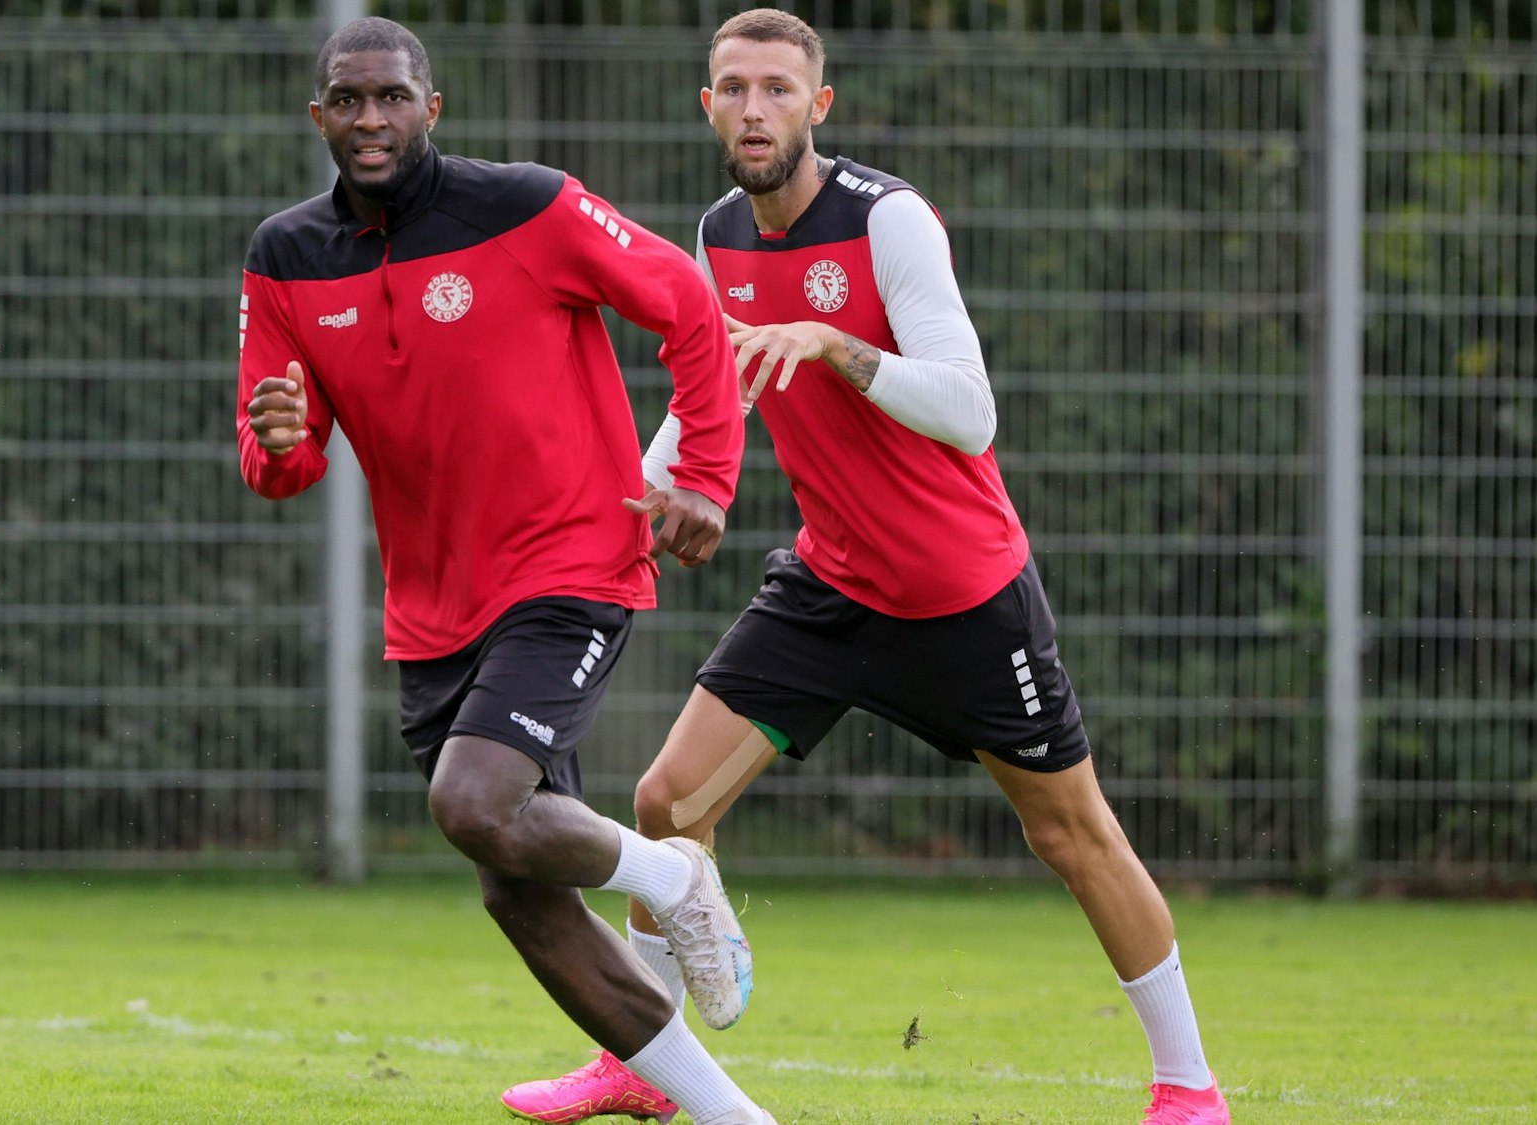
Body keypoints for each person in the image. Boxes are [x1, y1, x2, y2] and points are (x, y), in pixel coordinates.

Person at [500, 11, 1230, 1125]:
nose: (755, 109)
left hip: (962, 593)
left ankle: (1188, 1088)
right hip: (829, 583)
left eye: (778, 90)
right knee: (663, 799)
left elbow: (969, 409)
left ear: (817, 106)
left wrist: (833, 345)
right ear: (707, 106)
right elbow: (709, 397)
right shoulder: (714, 238)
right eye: (733, 89)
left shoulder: (887, 222)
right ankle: (639, 1064)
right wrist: (641, 488)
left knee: (1068, 833)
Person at [238, 18, 780, 1125]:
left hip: (571, 558)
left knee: (470, 803)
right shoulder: (286, 256)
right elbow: (276, 466)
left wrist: (708, 481)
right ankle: (735, 1119)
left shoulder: (524, 204)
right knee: (516, 890)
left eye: (391, 97)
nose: (371, 119)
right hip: (433, 606)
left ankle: (674, 880)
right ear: (319, 118)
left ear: (430, 107)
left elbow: (685, 303)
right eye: (348, 101)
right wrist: (282, 437)